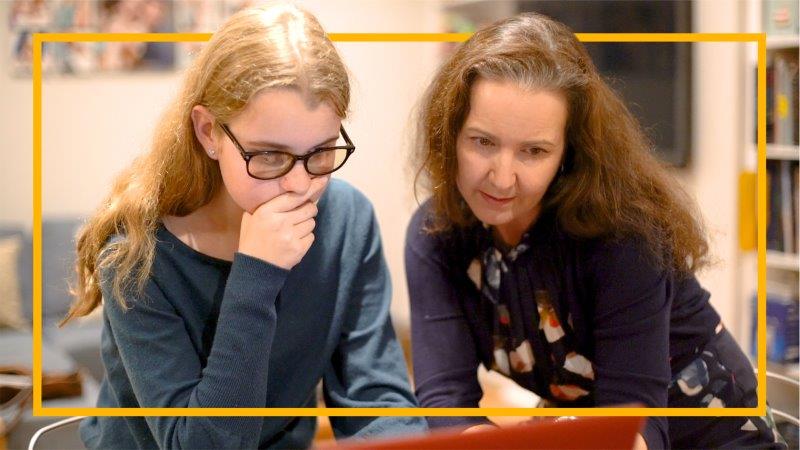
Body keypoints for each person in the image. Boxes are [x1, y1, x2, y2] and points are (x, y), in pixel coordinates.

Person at [405, 12, 786, 450]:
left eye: (533, 151)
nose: (502, 178)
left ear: (569, 153)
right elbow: (446, 404)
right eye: (483, 142)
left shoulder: (623, 238)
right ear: (449, 133)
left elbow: (639, 428)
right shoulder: (435, 235)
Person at [62, 4, 426, 449]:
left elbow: (372, 395)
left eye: (322, 151)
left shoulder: (348, 221)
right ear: (209, 132)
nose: (300, 185)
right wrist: (256, 276)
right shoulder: (137, 255)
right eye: (269, 156)